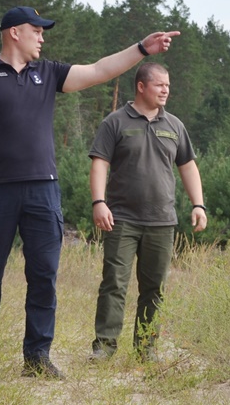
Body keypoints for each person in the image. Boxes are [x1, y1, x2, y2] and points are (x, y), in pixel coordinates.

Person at [0, 5, 180, 379]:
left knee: (44, 275)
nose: (42, 38)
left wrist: (142, 48)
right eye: (37, 31)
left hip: (43, 189)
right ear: (14, 32)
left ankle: (37, 357)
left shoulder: (48, 73)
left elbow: (99, 70)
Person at [88, 62, 206, 361]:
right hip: (121, 219)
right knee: (114, 283)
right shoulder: (115, 122)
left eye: (168, 85)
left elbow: (188, 166)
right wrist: (99, 202)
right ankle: (104, 348)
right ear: (141, 86)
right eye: (159, 85)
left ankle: (146, 349)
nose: (165, 90)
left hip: (161, 221)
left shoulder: (175, 126)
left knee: (154, 287)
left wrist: (198, 204)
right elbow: (100, 164)